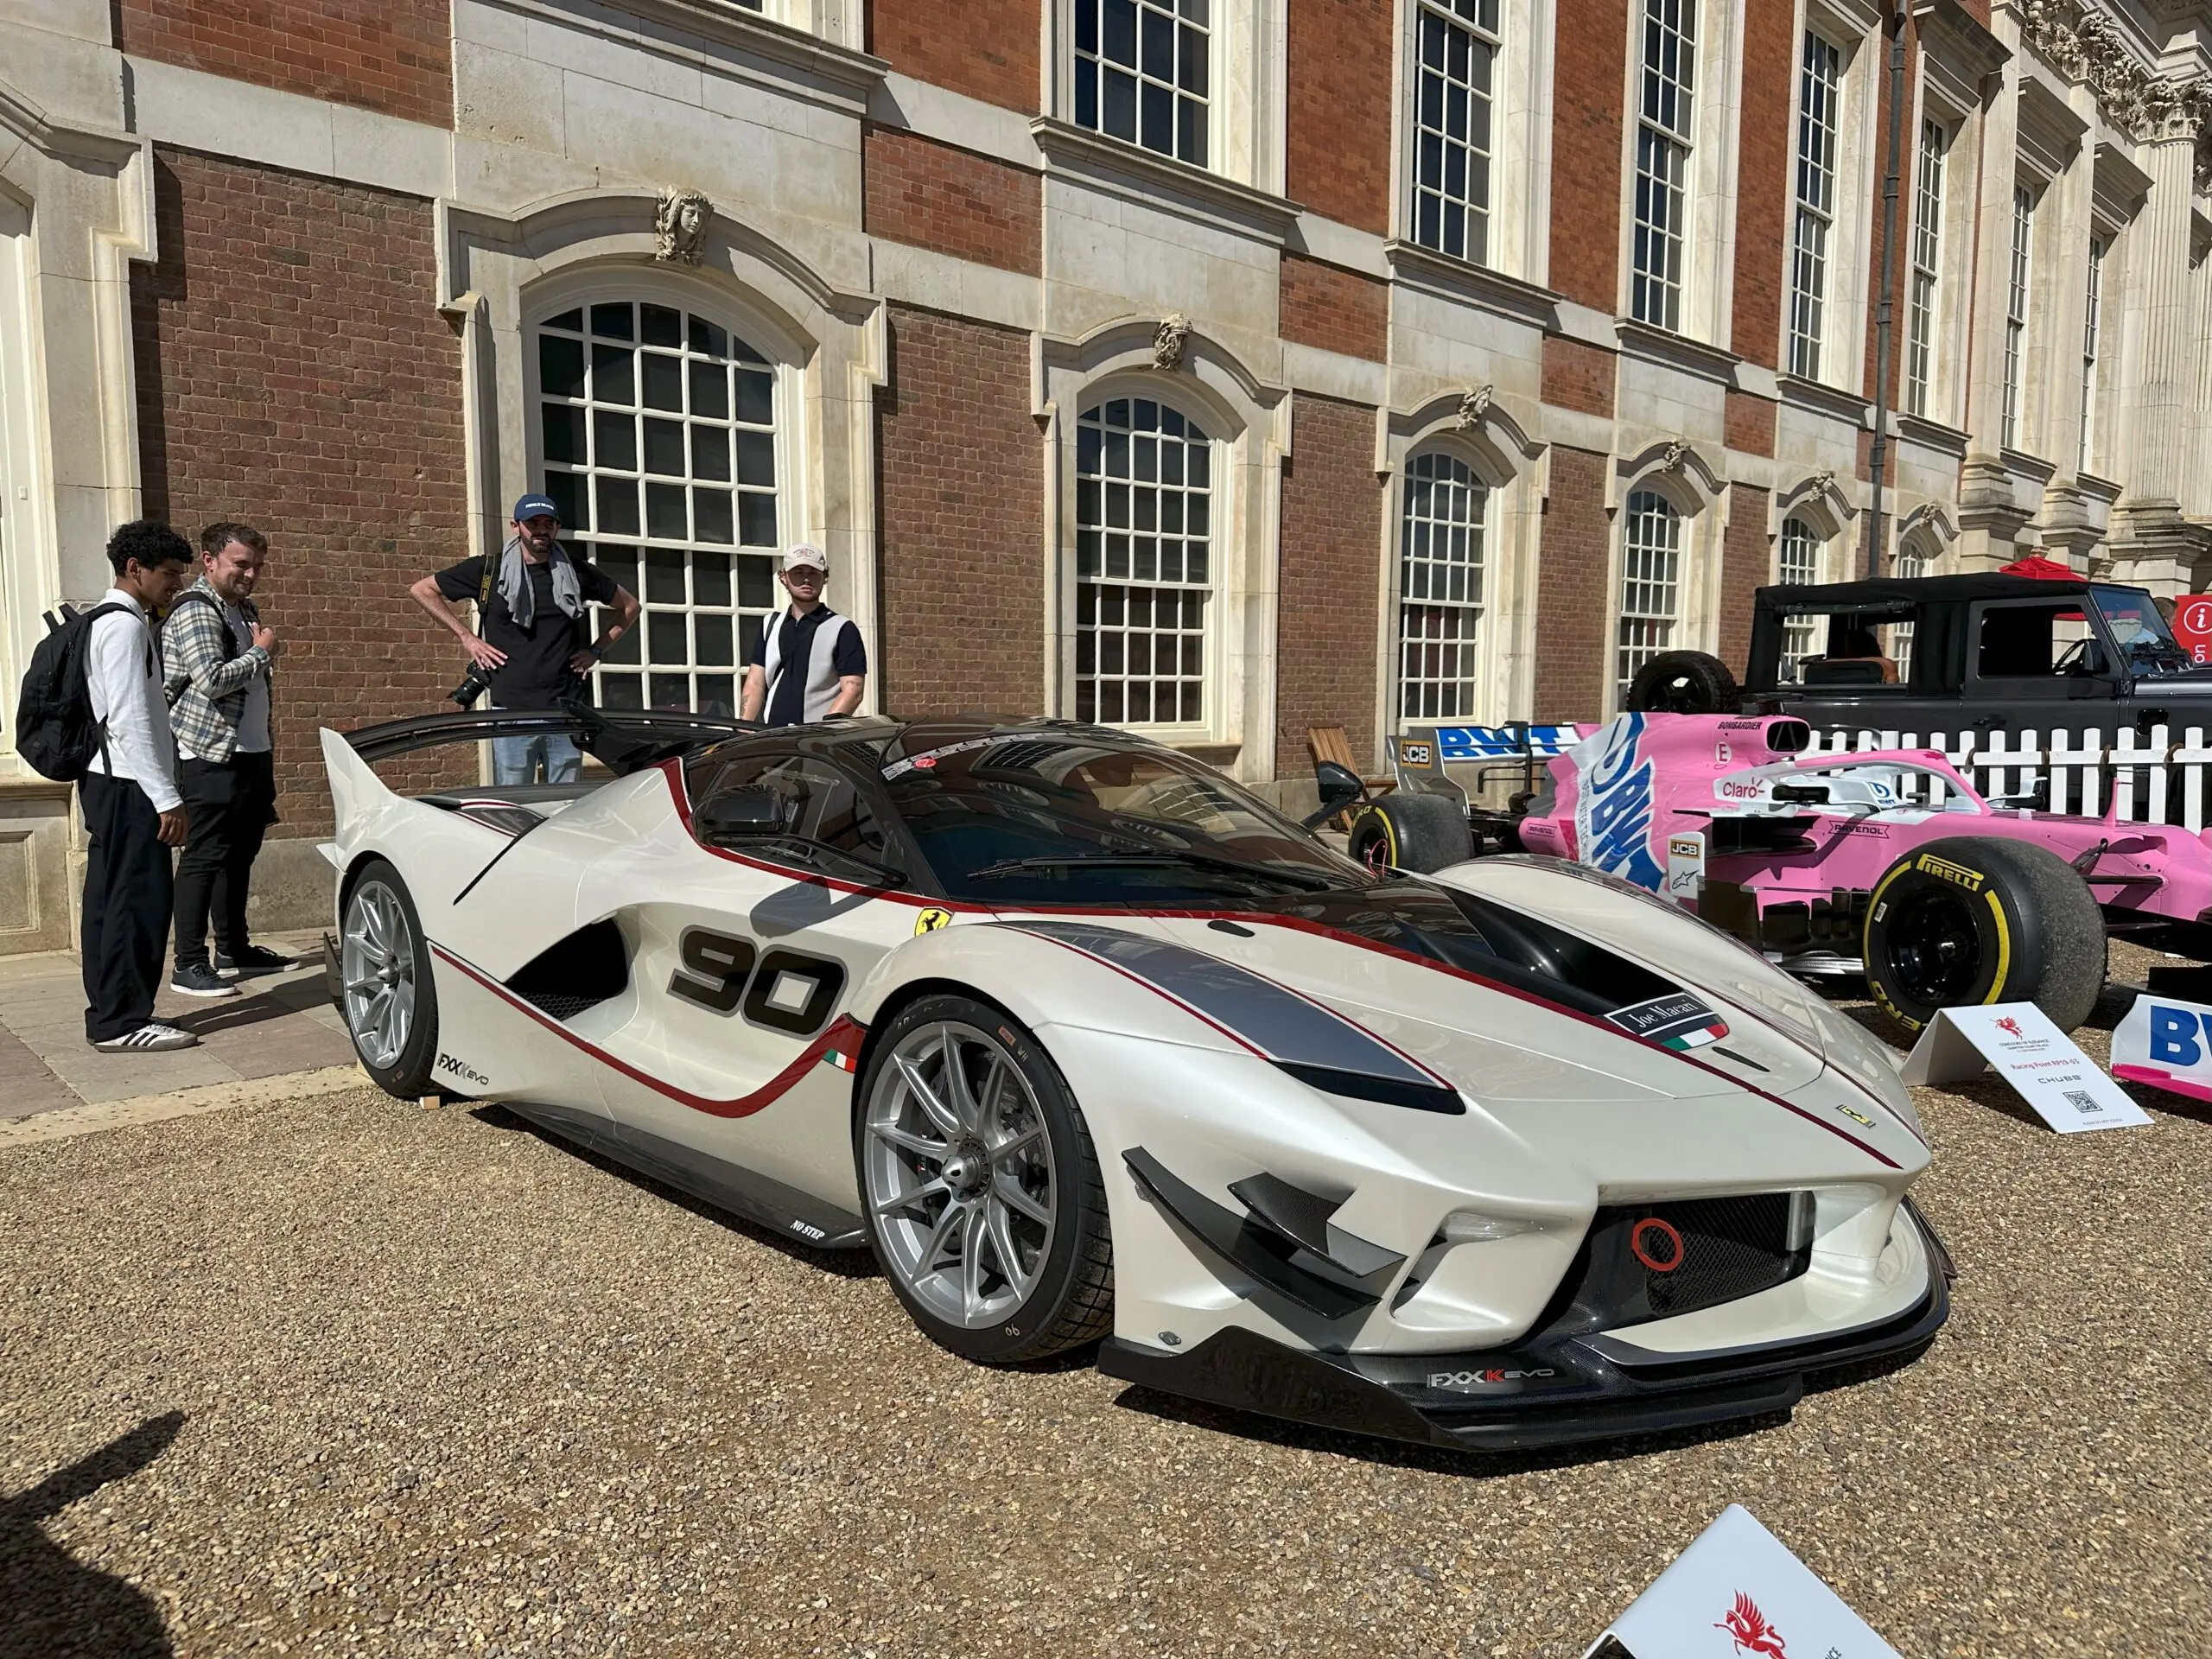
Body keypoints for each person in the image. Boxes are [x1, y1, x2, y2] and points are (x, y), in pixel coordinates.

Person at [410, 494, 640, 783]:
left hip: (565, 710)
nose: (541, 530)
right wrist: (466, 637)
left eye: (549, 523)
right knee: (514, 805)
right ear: (516, 526)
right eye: (533, 523)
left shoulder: (578, 573)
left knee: (565, 805)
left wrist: (596, 649)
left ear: (556, 528)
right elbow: (422, 590)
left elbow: (631, 607)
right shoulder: (487, 570)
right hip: (511, 710)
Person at [80, 521, 197, 1052]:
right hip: (130, 785)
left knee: (110, 903)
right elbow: (129, 718)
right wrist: (167, 797)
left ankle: (110, 1012)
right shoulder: (124, 627)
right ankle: (123, 1023)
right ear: (136, 569)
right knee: (138, 905)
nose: (175, 585)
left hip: (111, 782)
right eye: (169, 575)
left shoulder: (103, 620)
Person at [163, 523, 288, 999]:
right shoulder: (196, 609)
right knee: (205, 857)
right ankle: (189, 963)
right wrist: (262, 652)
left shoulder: (243, 609)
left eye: (257, 565)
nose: (251, 574)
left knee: (241, 855)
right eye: (241, 564)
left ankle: (234, 948)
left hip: (250, 751)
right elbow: (212, 680)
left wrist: (260, 653)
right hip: (210, 753)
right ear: (209, 560)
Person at [741, 544, 866, 727]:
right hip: (769, 736)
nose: (806, 579)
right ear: (783, 577)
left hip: (815, 741)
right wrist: (744, 729)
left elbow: (853, 690)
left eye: (814, 573)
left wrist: (822, 732)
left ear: (825, 577)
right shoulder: (770, 624)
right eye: (798, 572)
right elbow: (755, 682)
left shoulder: (842, 628)